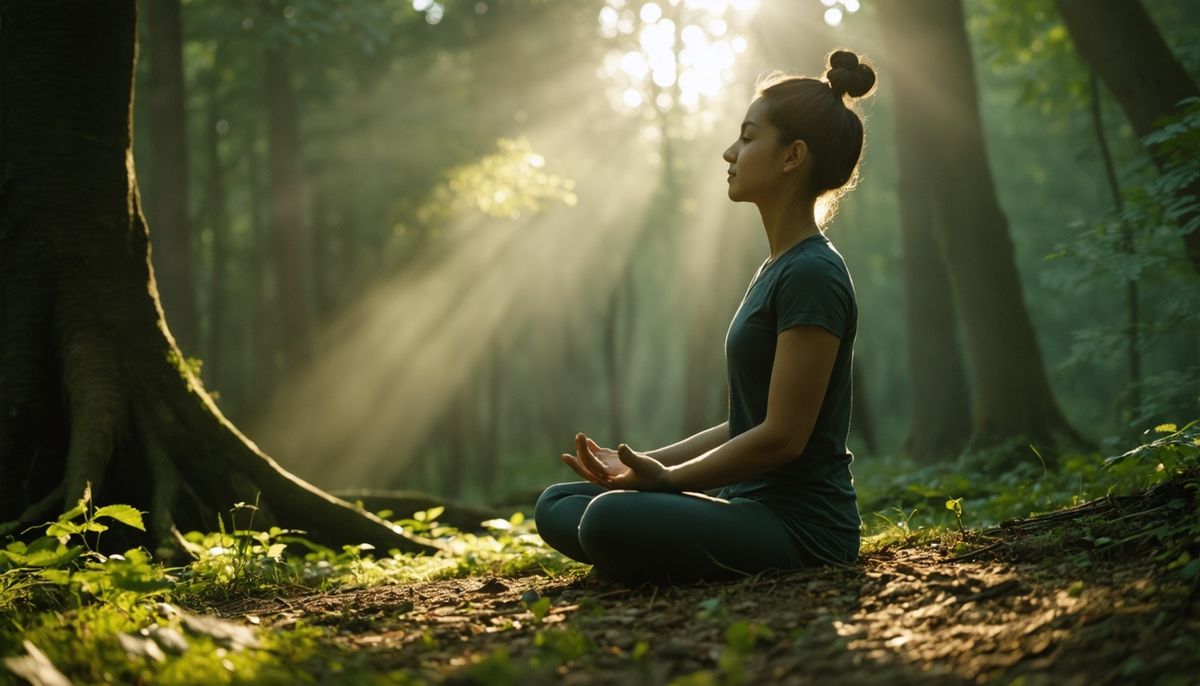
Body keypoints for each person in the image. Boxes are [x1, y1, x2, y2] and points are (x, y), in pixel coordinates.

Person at [535, 50, 877, 584]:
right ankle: (658, 540)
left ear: (792, 157)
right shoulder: (779, 268)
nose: (728, 152)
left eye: (746, 137)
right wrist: (642, 463)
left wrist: (669, 482)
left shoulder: (814, 274)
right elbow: (747, 422)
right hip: (746, 500)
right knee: (559, 503)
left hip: (801, 527)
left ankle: (653, 543)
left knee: (605, 518)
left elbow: (784, 437)